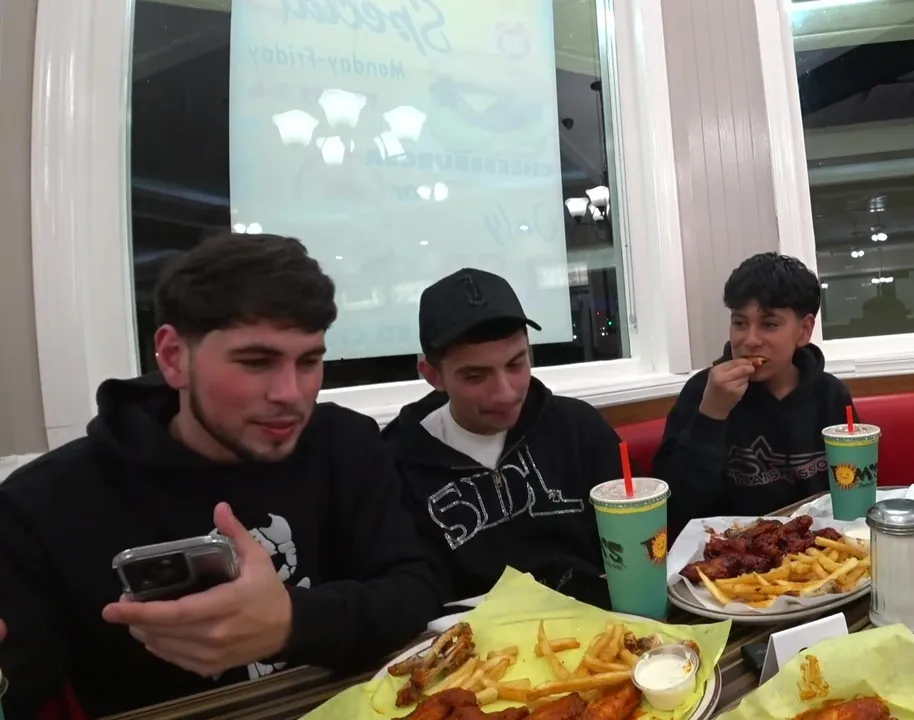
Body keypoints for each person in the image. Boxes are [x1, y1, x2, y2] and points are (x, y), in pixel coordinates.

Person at [0, 233, 442, 717]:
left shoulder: (346, 444)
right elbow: (24, 687)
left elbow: (413, 592)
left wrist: (293, 622)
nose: (291, 393)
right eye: (256, 362)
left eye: (309, 361)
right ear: (174, 357)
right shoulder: (45, 505)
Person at [384, 268, 622, 605]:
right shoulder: (396, 465)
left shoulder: (579, 428)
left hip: (602, 621)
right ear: (433, 375)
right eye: (475, 376)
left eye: (516, 364)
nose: (505, 393)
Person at [653, 253, 855, 531]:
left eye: (769, 324)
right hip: (726, 548)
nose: (749, 340)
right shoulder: (703, 391)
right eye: (739, 323)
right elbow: (675, 509)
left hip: (818, 542)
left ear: (804, 330)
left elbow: (854, 490)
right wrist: (712, 415)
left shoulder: (830, 395)